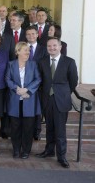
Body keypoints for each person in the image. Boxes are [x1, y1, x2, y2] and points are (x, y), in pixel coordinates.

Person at [36, 37, 78, 168]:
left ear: (60, 47)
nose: (52, 48)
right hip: (47, 99)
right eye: (49, 46)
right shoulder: (42, 62)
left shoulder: (69, 62)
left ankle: (62, 156)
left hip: (61, 100)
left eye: (54, 46)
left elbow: (73, 82)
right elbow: (41, 81)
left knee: (60, 130)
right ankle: (49, 151)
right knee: (49, 128)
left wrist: (63, 93)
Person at [5, 42, 41, 159]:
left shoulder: (33, 64)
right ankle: (16, 149)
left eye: (28, 51)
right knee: (15, 127)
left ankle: (26, 151)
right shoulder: (11, 64)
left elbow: (38, 79)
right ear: (17, 51)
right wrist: (17, 89)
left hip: (29, 100)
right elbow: (7, 79)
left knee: (28, 127)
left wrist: (27, 90)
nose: (27, 52)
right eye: (25, 50)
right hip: (15, 99)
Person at [26, 25, 48, 141]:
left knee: (37, 110)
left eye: (33, 34)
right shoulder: (22, 48)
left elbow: (45, 68)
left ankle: (37, 131)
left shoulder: (43, 50)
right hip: (24, 85)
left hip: (38, 86)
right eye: (28, 34)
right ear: (25, 36)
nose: (31, 36)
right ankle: (26, 131)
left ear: (37, 35)